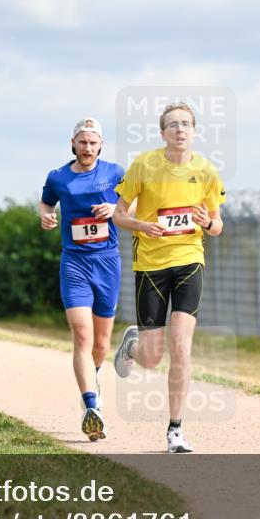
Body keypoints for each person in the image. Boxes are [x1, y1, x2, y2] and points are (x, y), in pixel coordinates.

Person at [111, 102, 226, 453]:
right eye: (173, 124)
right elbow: (118, 215)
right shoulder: (144, 165)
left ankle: (175, 430)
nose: (179, 129)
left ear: (194, 131)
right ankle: (133, 346)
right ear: (163, 133)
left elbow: (218, 225)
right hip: (150, 264)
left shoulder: (206, 171)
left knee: (181, 346)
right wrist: (140, 224)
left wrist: (208, 223)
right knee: (151, 357)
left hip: (190, 260)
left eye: (186, 124)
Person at [40, 118, 125, 442]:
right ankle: (91, 406)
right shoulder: (58, 177)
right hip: (74, 263)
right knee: (82, 335)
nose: (88, 148)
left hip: (107, 262)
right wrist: (45, 215)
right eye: (82, 142)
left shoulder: (116, 173)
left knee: (102, 343)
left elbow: (137, 203)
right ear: (73, 143)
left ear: (100, 145)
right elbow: (47, 201)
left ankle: (93, 379)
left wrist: (114, 206)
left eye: (93, 142)